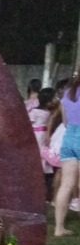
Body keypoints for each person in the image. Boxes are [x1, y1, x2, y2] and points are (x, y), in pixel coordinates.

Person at [54, 73, 80, 236]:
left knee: (66, 185)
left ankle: (59, 228)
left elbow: (65, 121)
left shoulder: (68, 92)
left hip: (69, 138)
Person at [29, 87, 55, 201]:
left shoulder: (41, 112)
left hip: (40, 135)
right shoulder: (44, 112)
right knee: (40, 154)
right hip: (40, 135)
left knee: (41, 155)